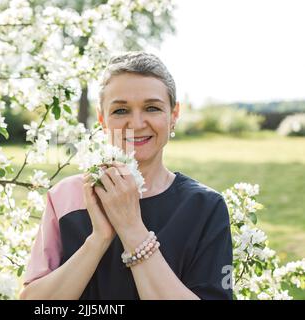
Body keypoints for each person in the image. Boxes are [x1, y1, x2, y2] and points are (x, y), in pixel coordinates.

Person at [20, 51, 233, 300]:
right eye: (121, 111)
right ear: (102, 119)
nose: (137, 123)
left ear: (173, 116)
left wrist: (131, 228)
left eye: (152, 108)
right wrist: (98, 239)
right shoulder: (66, 198)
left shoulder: (205, 207)